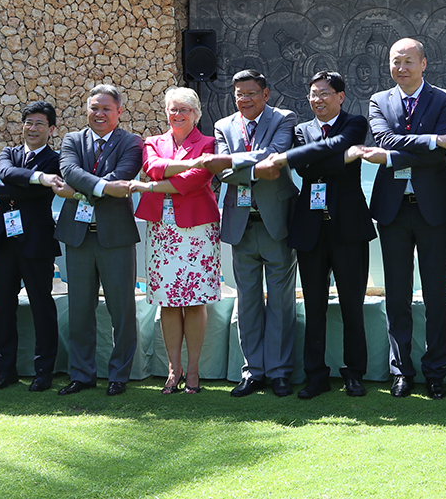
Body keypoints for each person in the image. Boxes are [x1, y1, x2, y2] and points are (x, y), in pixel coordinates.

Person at [254, 71, 375, 399]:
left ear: (340, 96)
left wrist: (316, 156)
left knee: (352, 303)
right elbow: (306, 169)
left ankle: (354, 373)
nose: (318, 100)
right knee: (315, 304)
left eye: (324, 93)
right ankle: (315, 375)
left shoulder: (355, 122)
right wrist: (335, 159)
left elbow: (338, 145)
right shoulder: (300, 130)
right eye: (313, 94)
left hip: (348, 227)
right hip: (309, 228)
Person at [363, 37, 446, 399]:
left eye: (408, 61)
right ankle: (401, 370)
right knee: (397, 294)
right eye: (394, 61)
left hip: (433, 208)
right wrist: (435, 140)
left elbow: (436, 158)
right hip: (394, 210)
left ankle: (436, 371)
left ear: (423, 63)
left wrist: (396, 154)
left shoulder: (444, 99)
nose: (401, 68)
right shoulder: (379, 100)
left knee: (436, 294)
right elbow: (384, 139)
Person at [44, 85, 143, 396]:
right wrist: (101, 188)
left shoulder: (132, 143)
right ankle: (82, 374)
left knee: (122, 310)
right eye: (94, 108)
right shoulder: (72, 140)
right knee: (80, 309)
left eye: (106, 109)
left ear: (119, 112)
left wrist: (81, 190)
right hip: (78, 238)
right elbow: (69, 170)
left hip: (115, 237)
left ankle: (119, 376)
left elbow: (123, 177)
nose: (99, 114)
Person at [210, 69, 299, 397]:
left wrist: (238, 166)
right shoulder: (224, 125)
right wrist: (251, 167)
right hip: (240, 225)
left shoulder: (284, 119)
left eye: (250, 93)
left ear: (266, 94)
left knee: (280, 300)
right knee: (247, 300)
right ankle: (253, 371)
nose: (244, 99)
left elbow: (274, 159)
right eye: (239, 94)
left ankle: (278, 371)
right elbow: (222, 170)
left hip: (276, 222)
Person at [134, 87, 221, 395]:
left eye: (184, 109)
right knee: (168, 302)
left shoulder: (209, 143)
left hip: (198, 230)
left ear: (196, 114)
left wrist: (156, 185)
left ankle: (194, 370)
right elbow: (151, 168)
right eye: (173, 109)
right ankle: (174, 369)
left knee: (195, 301)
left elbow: (197, 180)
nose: (178, 115)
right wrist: (188, 165)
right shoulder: (152, 142)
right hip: (162, 232)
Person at [0, 100, 62, 391]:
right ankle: (5, 372)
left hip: (37, 241)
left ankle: (43, 371)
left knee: (41, 306)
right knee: (3, 307)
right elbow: (5, 174)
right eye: (28, 123)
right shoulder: (9, 153)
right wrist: (37, 179)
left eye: (39, 124)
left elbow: (32, 194)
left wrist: (0, 188)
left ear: (51, 129)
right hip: (4, 241)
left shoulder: (56, 160)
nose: (32, 129)